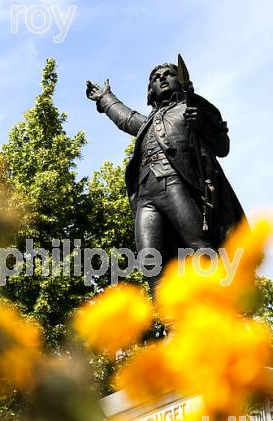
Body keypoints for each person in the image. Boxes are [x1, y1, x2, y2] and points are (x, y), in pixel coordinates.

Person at [86, 62, 246, 298]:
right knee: (151, 262)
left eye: (169, 74)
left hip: (176, 186)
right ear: (150, 89)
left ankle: (225, 308)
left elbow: (222, 147)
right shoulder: (148, 124)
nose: (162, 78)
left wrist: (201, 124)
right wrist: (105, 98)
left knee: (200, 249)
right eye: (155, 77)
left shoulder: (193, 107)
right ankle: (173, 327)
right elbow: (127, 118)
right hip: (146, 195)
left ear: (180, 81)